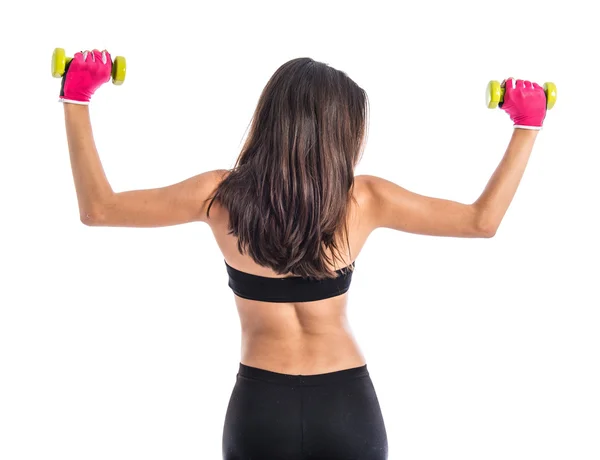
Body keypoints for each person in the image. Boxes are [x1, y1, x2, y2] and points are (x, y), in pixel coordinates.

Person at [58, 50, 548, 459]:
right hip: (345, 405)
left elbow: (99, 209)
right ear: (340, 135)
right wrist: (527, 124)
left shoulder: (217, 196)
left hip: (260, 405)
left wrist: (77, 96)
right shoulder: (364, 200)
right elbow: (481, 221)